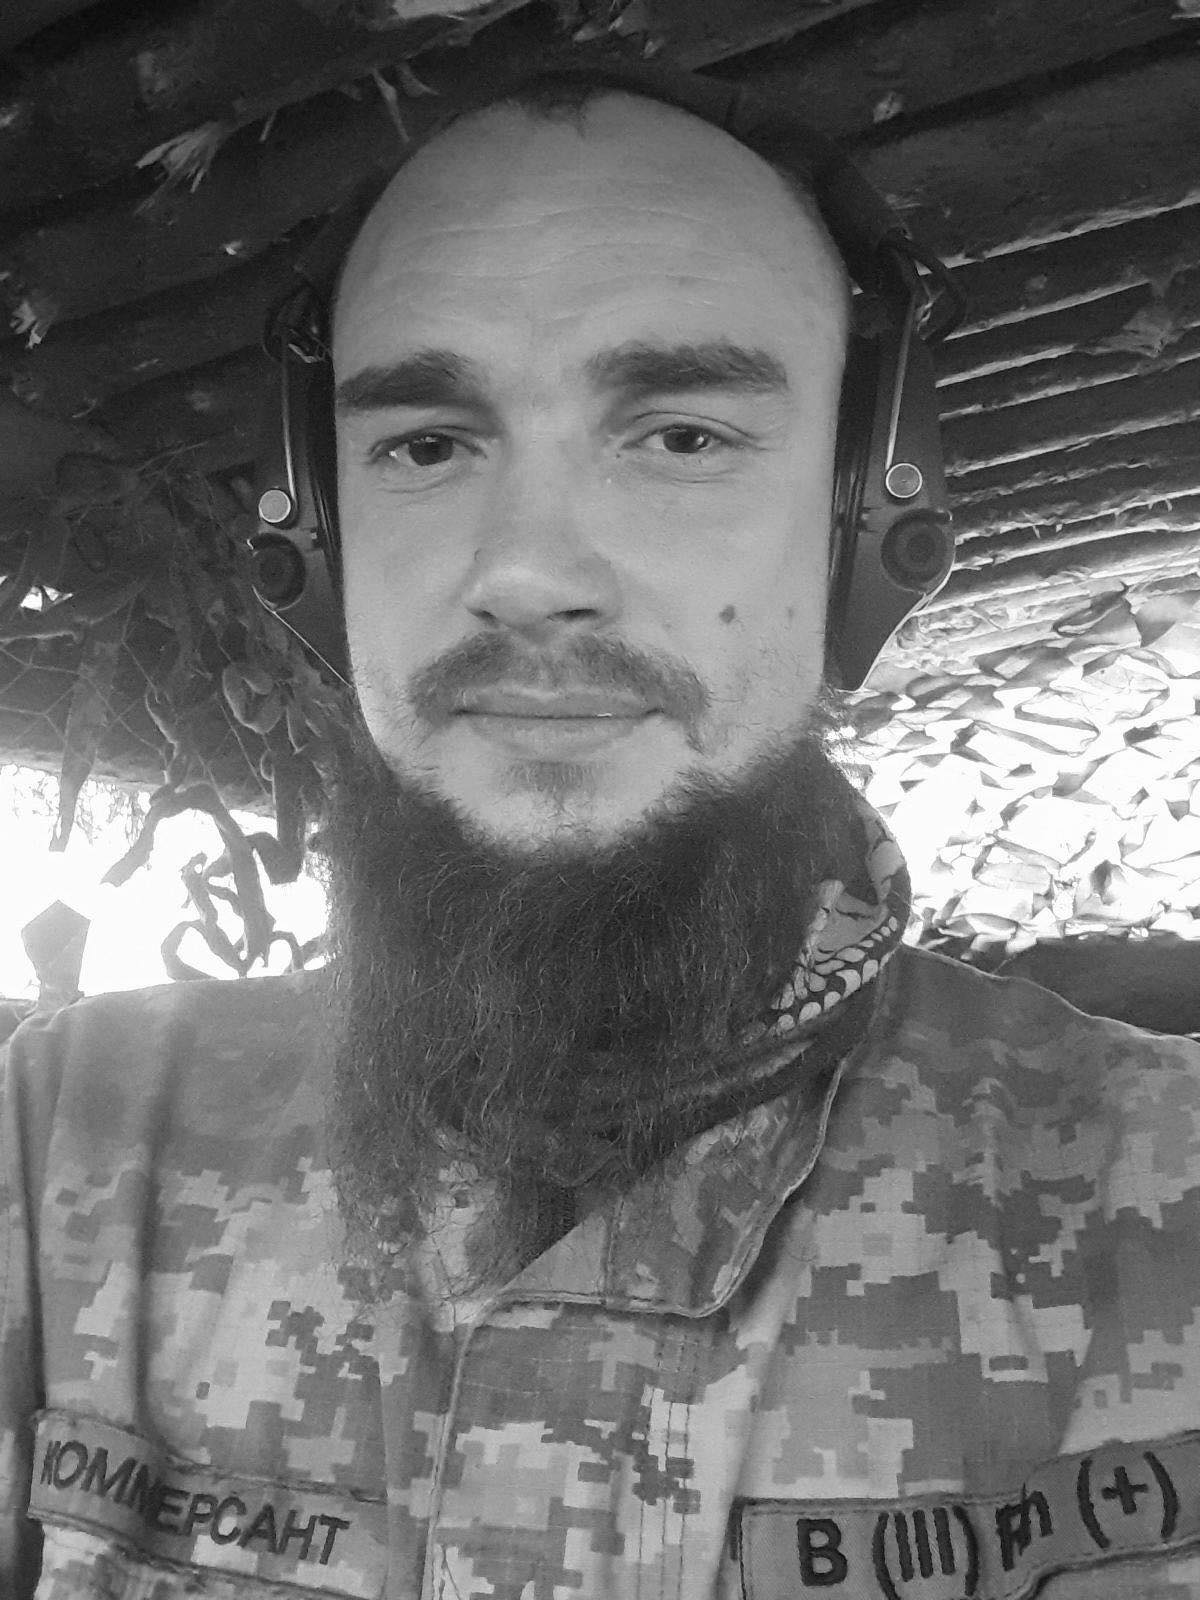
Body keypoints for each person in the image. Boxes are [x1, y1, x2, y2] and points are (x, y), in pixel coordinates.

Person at [2, 62, 1200, 1600]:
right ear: (317, 538)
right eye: (427, 444)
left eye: (683, 435)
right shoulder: (67, 1142)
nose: (526, 572)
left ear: (863, 524)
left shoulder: (1163, 1193)